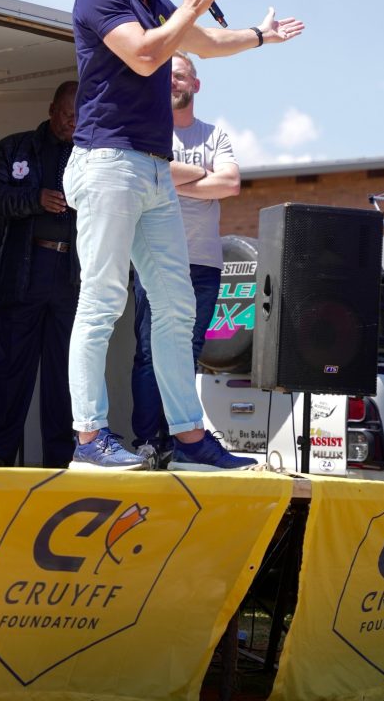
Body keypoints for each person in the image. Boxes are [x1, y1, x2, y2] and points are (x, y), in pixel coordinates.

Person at [63, 0, 304, 472]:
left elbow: (205, 45)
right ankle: (89, 437)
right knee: (102, 301)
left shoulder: (157, 4)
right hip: (108, 161)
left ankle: (189, 440)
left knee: (175, 310)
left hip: (151, 169)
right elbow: (147, 57)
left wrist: (258, 36)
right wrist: (188, 11)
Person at [132, 51, 240, 467]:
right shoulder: (147, 133)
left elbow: (230, 184)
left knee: (187, 353)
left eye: (180, 76)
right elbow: (148, 177)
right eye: (166, 77)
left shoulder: (215, 136)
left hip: (204, 264)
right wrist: (201, 177)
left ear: (196, 84)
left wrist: (173, 176)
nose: (172, 82)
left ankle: (181, 442)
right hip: (155, 260)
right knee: (147, 353)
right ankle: (148, 442)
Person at [0, 81, 79, 468]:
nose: (73, 121)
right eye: (68, 113)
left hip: (70, 275)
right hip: (23, 271)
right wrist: (33, 200)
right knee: (12, 369)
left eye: (80, 115)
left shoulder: (90, 154)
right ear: (52, 109)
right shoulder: (14, 147)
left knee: (63, 373)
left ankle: (59, 459)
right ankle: (2, 455)